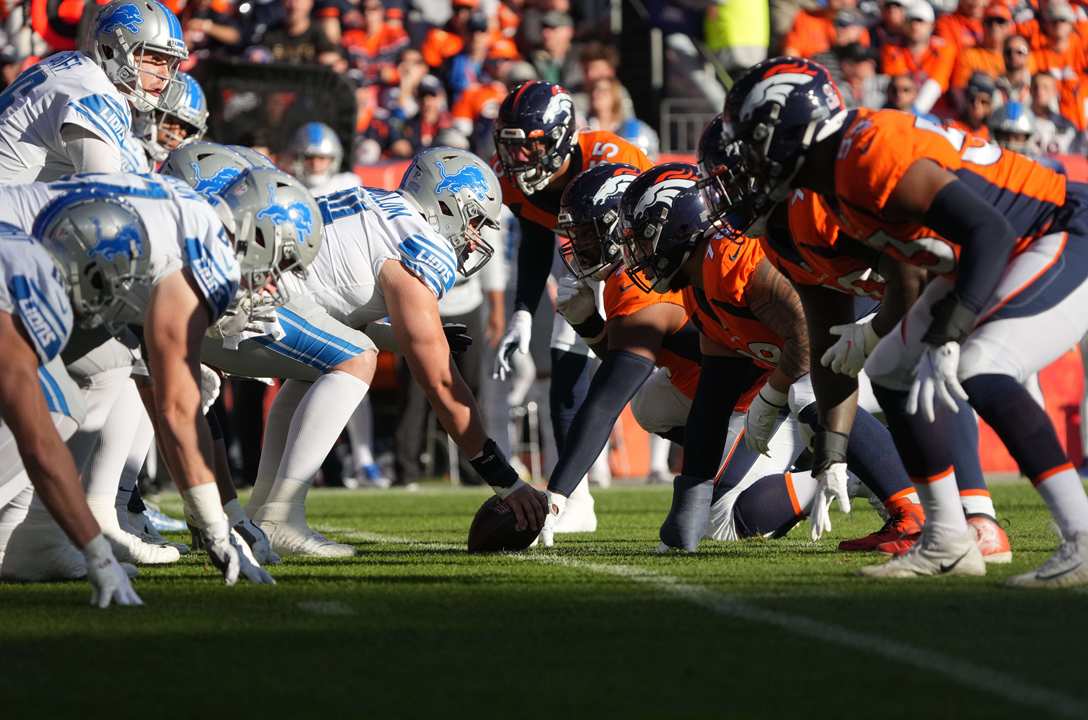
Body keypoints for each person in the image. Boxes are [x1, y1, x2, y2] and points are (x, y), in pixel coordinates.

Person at [723, 56, 1088, 585]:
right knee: (891, 368)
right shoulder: (830, 185)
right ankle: (947, 539)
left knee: (983, 367)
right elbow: (891, 288)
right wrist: (834, 450)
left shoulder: (866, 151)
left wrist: (949, 333)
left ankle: (1080, 536)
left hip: (1057, 227)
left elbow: (989, 232)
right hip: (996, 248)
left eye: (754, 143)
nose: (749, 164)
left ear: (793, 127)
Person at [192, 148, 547, 556]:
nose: (474, 237)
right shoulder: (419, 243)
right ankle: (281, 514)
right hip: (239, 307)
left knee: (322, 364)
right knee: (357, 357)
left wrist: (402, 337)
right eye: (475, 221)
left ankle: (264, 513)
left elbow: (334, 305)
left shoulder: (381, 206)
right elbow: (442, 385)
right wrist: (505, 480)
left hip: (225, 296)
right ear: (448, 203)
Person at [0, 170, 298, 584]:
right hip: (16, 256)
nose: (271, 285)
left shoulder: (188, 221)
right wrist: (217, 528)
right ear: (255, 235)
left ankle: (37, 535)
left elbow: (163, 389)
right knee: (50, 402)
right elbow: (175, 407)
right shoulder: (205, 252)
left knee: (106, 364)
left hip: (31, 251)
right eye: (279, 264)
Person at [490, 80, 652, 528]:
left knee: (661, 383)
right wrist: (522, 312)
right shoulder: (516, 182)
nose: (520, 158)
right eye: (512, 146)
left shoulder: (610, 156)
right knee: (565, 365)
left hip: (644, 264)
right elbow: (535, 238)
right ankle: (575, 499)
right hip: (586, 260)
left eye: (532, 145)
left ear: (561, 136)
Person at [0, 223, 140, 606]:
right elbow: (40, 445)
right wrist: (97, 552)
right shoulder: (29, 283)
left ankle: (28, 535)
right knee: (58, 406)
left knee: (94, 373)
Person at [0, 0, 187, 182]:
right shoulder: (97, 94)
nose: (165, 75)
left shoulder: (70, 61)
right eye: (156, 59)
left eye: (171, 64)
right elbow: (102, 190)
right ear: (111, 49)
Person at [880, 0, 956, 116]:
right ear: (904, 23)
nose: (915, 26)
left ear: (931, 25)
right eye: (911, 21)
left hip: (937, 110)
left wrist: (915, 113)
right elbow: (900, 86)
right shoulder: (892, 49)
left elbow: (936, 83)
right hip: (901, 109)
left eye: (921, 21)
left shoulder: (944, 49)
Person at [134, 71, 209, 165]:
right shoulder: (127, 150)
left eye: (187, 129)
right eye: (171, 121)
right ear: (150, 112)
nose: (175, 135)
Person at [285, 121, 360, 195]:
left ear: (333, 160)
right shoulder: (288, 186)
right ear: (297, 159)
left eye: (322, 158)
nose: (315, 164)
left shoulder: (347, 184)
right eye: (309, 157)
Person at [950, 2, 1012, 91]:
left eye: (1000, 21)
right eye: (989, 21)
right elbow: (958, 89)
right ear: (982, 25)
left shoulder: (1016, 54)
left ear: (1009, 27)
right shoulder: (969, 55)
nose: (994, 26)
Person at [949, 72, 995, 139]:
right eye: (972, 100)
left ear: (990, 106)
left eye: (983, 102)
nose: (976, 105)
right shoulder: (951, 129)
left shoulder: (991, 136)